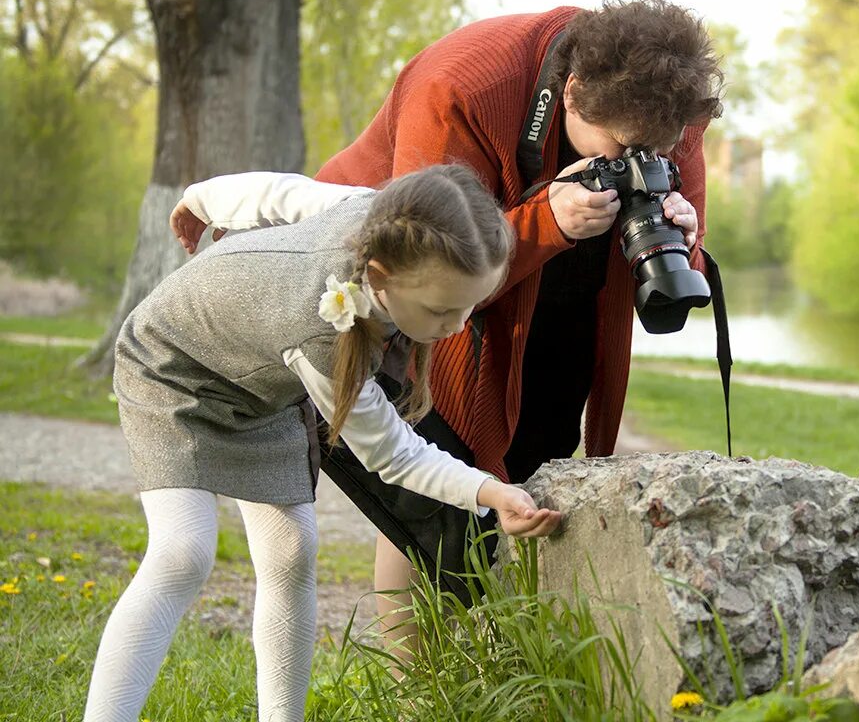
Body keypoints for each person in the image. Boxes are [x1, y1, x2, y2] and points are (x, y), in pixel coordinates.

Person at [312, 0, 723, 645]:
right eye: (624, 148)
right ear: (573, 91)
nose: (643, 157)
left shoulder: (667, 106)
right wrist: (546, 223)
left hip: (563, 297)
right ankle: (415, 684)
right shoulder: (466, 85)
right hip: (403, 283)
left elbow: (675, 260)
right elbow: (426, 260)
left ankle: (504, 667)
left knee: (535, 486)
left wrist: (684, 238)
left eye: (661, 150)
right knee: (437, 494)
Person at [82, 166, 562, 722]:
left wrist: (202, 201)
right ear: (380, 276)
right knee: (182, 554)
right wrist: (485, 491)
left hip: (262, 384)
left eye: (468, 308)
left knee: (290, 551)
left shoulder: (385, 221)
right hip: (173, 368)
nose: (455, 327)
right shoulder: (326, 329)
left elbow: (282, 193)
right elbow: (391, 453)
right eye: (440, 311)